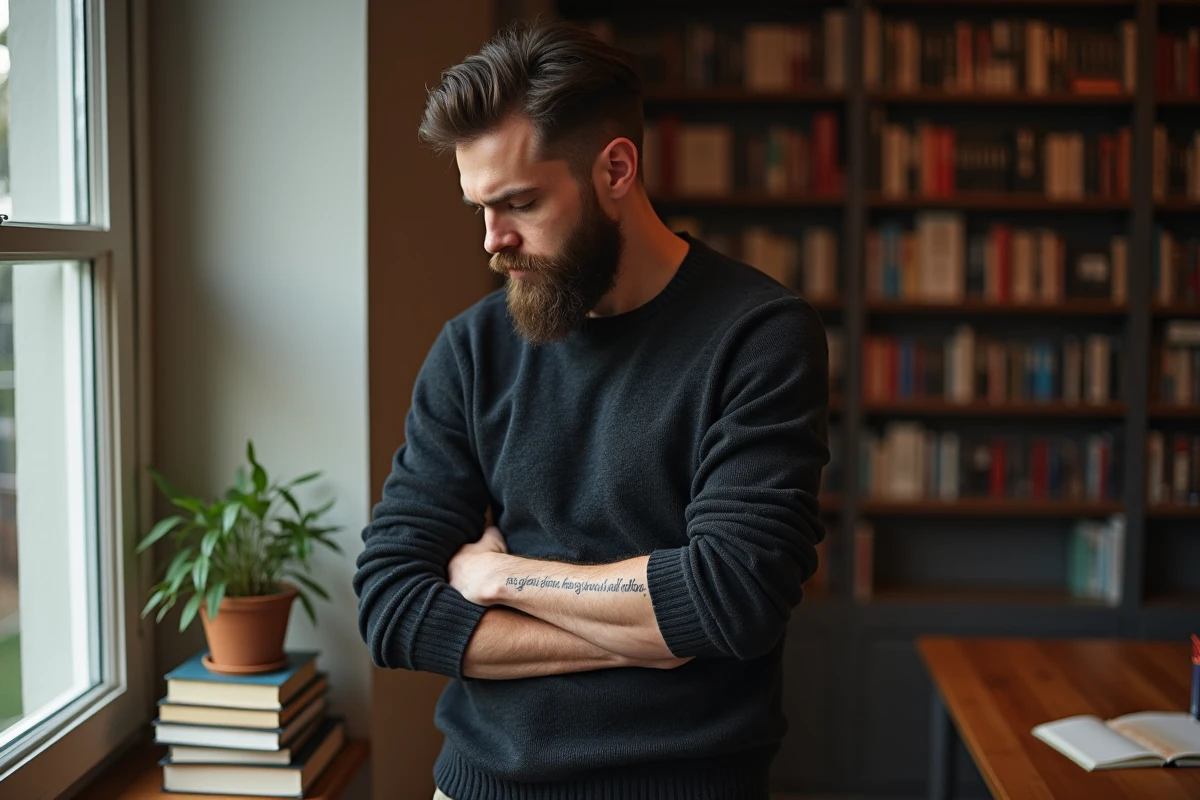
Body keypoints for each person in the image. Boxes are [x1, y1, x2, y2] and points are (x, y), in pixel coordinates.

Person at [353, 18, 830, 800]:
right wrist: (651, 634)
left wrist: (498, 576)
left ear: (615, 169)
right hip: (478, 787)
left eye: (520, 203)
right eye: (479, 208)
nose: (493, 242)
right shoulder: (473, 350)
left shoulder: (759, 337)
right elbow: (393, 607)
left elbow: (731, 599)